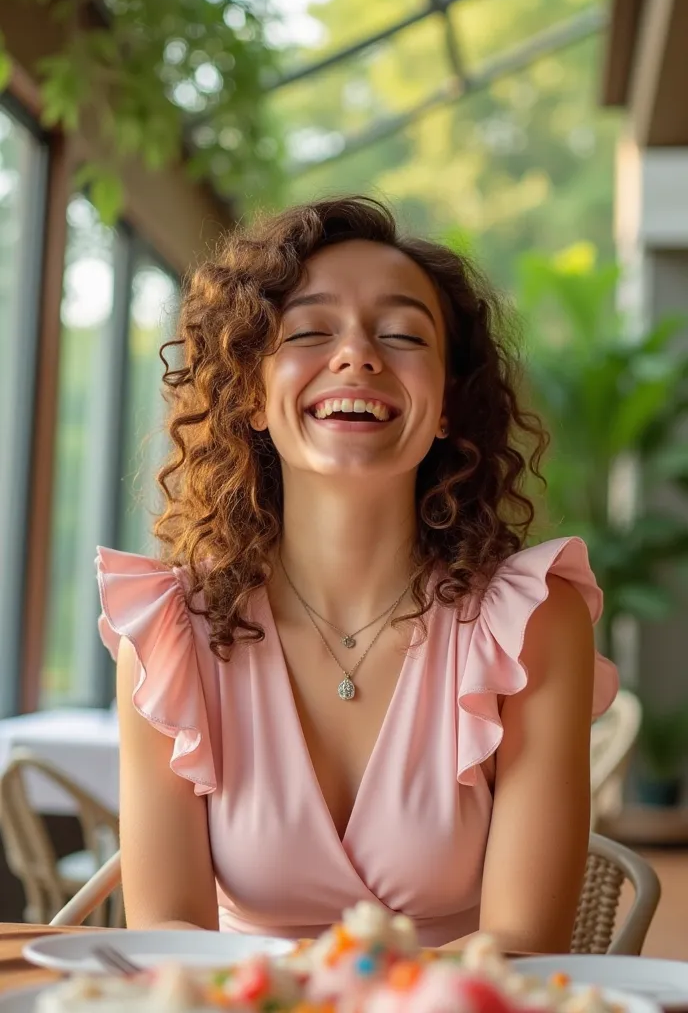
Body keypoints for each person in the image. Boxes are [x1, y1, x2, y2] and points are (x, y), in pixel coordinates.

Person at [97, 196, 617, 952]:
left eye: (403, 335)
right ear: (250, 394)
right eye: (310, 331)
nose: (358, 355)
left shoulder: (533, 623)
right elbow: (168, 935)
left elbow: (523, 941)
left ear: (445, 405)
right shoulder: (169, 630)